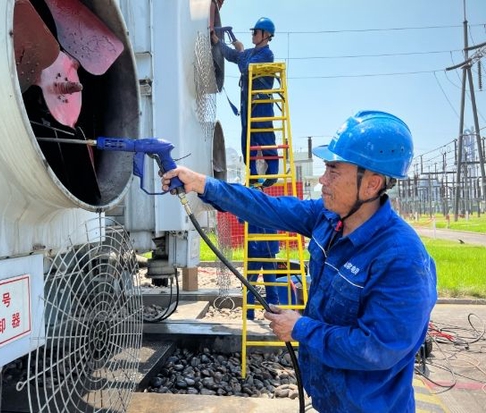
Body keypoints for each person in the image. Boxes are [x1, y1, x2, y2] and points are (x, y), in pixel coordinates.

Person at [161, 110, 437, 412]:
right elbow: (268, 207)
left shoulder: (403, 259)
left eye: (333, 170)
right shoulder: (329, 218)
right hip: (329, 400)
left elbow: (377, 348)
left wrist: (301, 329)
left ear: (372, 184)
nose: (322, 179)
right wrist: (203, 184)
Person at [212, 17, 278, 187]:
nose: (253, 35)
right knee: (248, 139)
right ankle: (254, 174)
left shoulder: (266, 54)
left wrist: (240, 50)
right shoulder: (250, 53)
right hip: (248, 103)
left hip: (261, 103)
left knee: (263, 135)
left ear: (266, 35)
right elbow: (232, 56)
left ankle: (272, 172)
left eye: (255, 32)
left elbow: (246, 68)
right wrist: (218, 42)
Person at [245, 222, 280, 320]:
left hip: (257, 249)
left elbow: (240, 218)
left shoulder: (249, 207)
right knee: (270, 283)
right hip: (265, 249)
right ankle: (272, 314)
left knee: (251, 285)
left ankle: (249, 315)